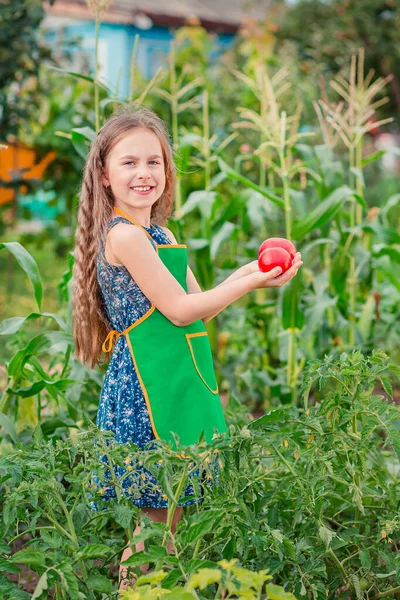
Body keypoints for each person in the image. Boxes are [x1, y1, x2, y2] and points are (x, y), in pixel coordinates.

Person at [72, 106, 303, 591]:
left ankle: (153, 591)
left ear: (167, 171)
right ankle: (136, 592)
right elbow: (178, 311)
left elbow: (196, 309)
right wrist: (251, 283)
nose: (143, 173)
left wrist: (249, 274)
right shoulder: (126, 237)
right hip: (148, 391)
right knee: (157, 520)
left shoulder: (159, 234)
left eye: (153, 162)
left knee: (171, 516)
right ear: (104, 175)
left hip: (173, 376)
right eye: (129, 162)